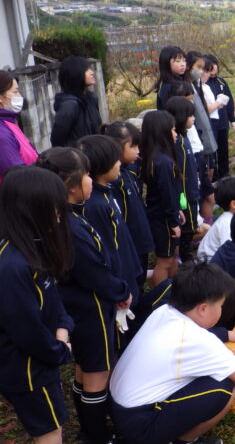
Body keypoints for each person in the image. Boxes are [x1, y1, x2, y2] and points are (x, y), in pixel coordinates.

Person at [35, 147, 132, 444]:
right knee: (97, 374)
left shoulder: (66, 216)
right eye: (87, 175)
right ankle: (97, 435)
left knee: (84, 369)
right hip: (89, 306)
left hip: (75, 304)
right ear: (70, 185)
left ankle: (89, 430)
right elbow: (93, 272)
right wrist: (120, 290)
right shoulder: (70, 225)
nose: (91, 179)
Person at [109, 263, 235, 444]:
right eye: (220, 305)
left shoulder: (164, 312)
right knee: (225, 386)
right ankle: (183, 441)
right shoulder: (197, 339)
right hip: (140, 425)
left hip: (119, 409)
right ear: (202, 308)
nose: (221, 311)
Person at [0, 166, 74, 444]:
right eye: (54, 209)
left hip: (41, 360)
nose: (59, 216)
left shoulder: (31, 248)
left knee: (51, 422)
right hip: (27, 371)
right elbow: (26, 331)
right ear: (30, 211)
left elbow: (54, 300)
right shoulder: (12, 268)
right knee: (49, 430)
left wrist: (63, 326)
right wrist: (58, 349)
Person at [77, 135, 144, 350]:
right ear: (102, 164)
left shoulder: (107, 194)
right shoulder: (95, 205)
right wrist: (119, 288)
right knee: (122, 340)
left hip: (128, 276)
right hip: (118, 284)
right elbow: (107, 251)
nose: (119, 164)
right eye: (115, 160)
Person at [102, 121, 154, 291]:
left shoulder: (127, 171)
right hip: (132, 244)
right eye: (134, 146)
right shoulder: (114, 181)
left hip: (140, 238)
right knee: (134, 285)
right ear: (118, 147)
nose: (138, 151)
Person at [140, 110, 184, 286]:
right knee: (164, 261)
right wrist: (173, 221)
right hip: (163, 219)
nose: (175, 134)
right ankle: (160, 299)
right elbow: (166, 194)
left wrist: (177, 210)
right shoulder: (163, 162)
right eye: (172, 130)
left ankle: (172, 293)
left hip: (163, 214)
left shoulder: (154, 158)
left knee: (172, 255)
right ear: (162, 133)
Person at [164, 96, 210, 262]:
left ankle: (185, 255)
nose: (194, 118)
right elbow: (181, 173)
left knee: (191, 227)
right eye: (191, 115)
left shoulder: (184, 138)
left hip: (192, 191)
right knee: (188, 229)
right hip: (187, 195)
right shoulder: (178, 143)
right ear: (181, 117)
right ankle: (185, 258)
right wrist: (185, 196)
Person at [51, 56, 102, 147]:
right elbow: (57, 141)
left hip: (95, 156)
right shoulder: (69, 105)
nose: (92, 72)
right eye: (86, 70)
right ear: (75, 74)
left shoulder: (92, 98)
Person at [203, 54, 235, 180]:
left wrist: (232, 120)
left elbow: (229, 101)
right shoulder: (203, 84)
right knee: (212, 150)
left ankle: (225, 175)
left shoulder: (221, 82)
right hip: (210, 124)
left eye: (215, 73)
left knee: (223, 150)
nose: (213, 76)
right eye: (210, 73)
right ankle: (214, 177)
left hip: (222, 122)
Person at [154, 46, 187, 111]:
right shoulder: (167, 86)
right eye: (178, 61)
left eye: (184, 61)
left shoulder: (180, 81)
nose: (183, 64)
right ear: (166, 63)